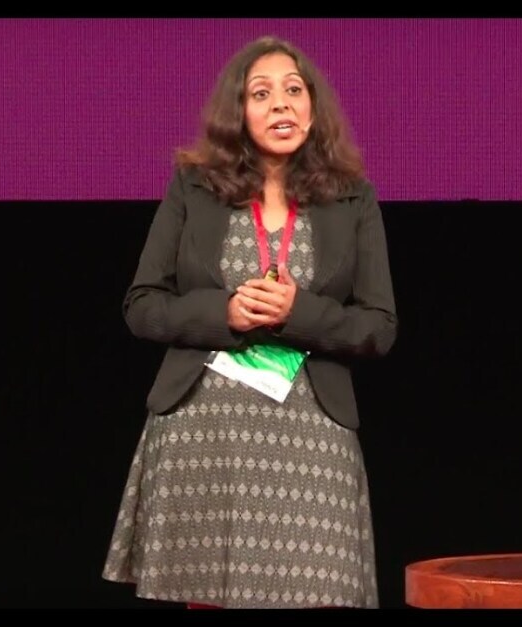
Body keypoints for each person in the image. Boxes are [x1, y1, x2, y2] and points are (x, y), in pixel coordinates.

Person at [101, 35, 397, 610]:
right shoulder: (194, 188)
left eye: (293, 90)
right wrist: (224, 312)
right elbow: (142, 304)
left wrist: (297, 313)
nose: (280, 103)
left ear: (312, 106)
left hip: (311, 435)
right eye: (260, 93)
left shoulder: (352, 199)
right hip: (204, 433)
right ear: (237, 112)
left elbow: (379, 326)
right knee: (208, 597)